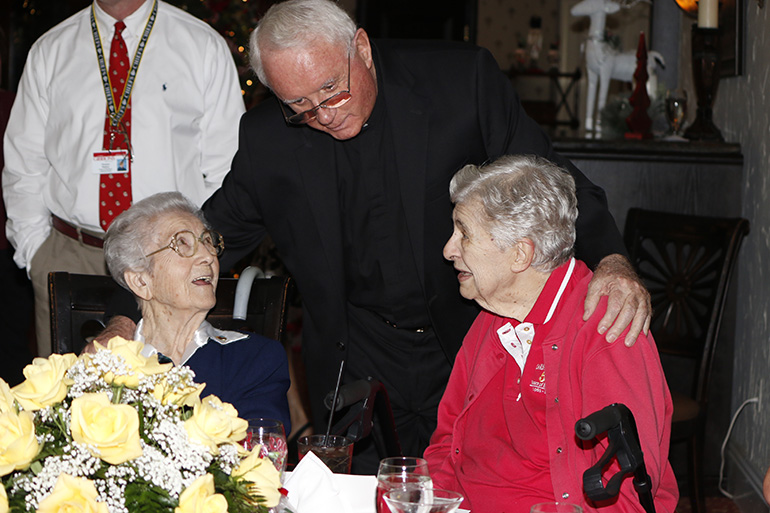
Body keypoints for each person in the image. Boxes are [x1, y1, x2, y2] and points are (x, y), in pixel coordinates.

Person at [108, 0, 650, 472]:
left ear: (362, 49)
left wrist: (612, 260)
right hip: (356, 351)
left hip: (467, 336)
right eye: (299, 106)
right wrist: (122, 315)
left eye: (331, 90)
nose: (324, 115)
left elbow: (553, 181)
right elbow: (198, 240)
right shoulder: (270, 140)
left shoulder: (460, 84)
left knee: (473, 483)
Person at [423, 155, 677, 512]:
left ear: (520, 254)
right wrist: (432, 503)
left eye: (464, 233)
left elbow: (626, 493)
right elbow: (447, 442)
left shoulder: (606, 328)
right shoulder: (491, 317)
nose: (449, 250)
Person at [2, 0, 245, 359]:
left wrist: (192, 250)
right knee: (64, 392)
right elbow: (24, 161)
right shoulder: (51, 49)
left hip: (169, 261)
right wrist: (36, 254)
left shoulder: (200, 44)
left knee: (172, 388)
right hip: (70, 256)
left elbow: (227, 167)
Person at [103, 191, 291, 428]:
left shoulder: (254, 358)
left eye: (208, 241)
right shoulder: (105, 365)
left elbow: (263, 445)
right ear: (141, 281)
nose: (208, 256)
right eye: (182, 244)